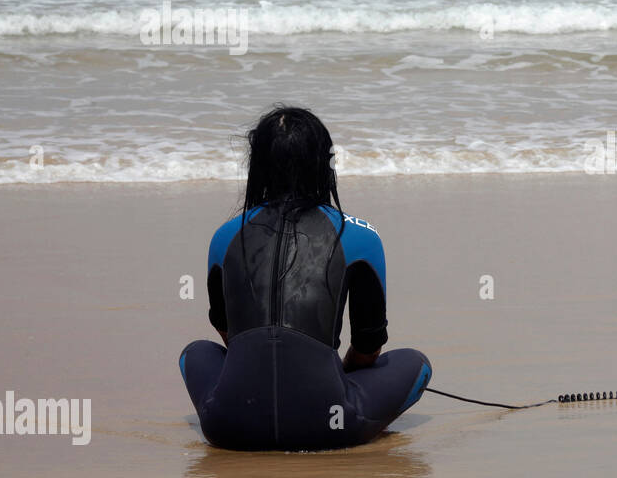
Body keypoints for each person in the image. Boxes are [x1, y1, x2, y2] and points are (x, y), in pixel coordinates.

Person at [178, 107, 431, 450]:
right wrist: (328, 374)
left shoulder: (224, 236)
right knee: (415, 362)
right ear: (324, 163)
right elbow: (369, 347)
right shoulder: (360, 235)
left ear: (258, 165)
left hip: (229, 427)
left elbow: (229, 336)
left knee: (195, 352)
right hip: (332, 428)